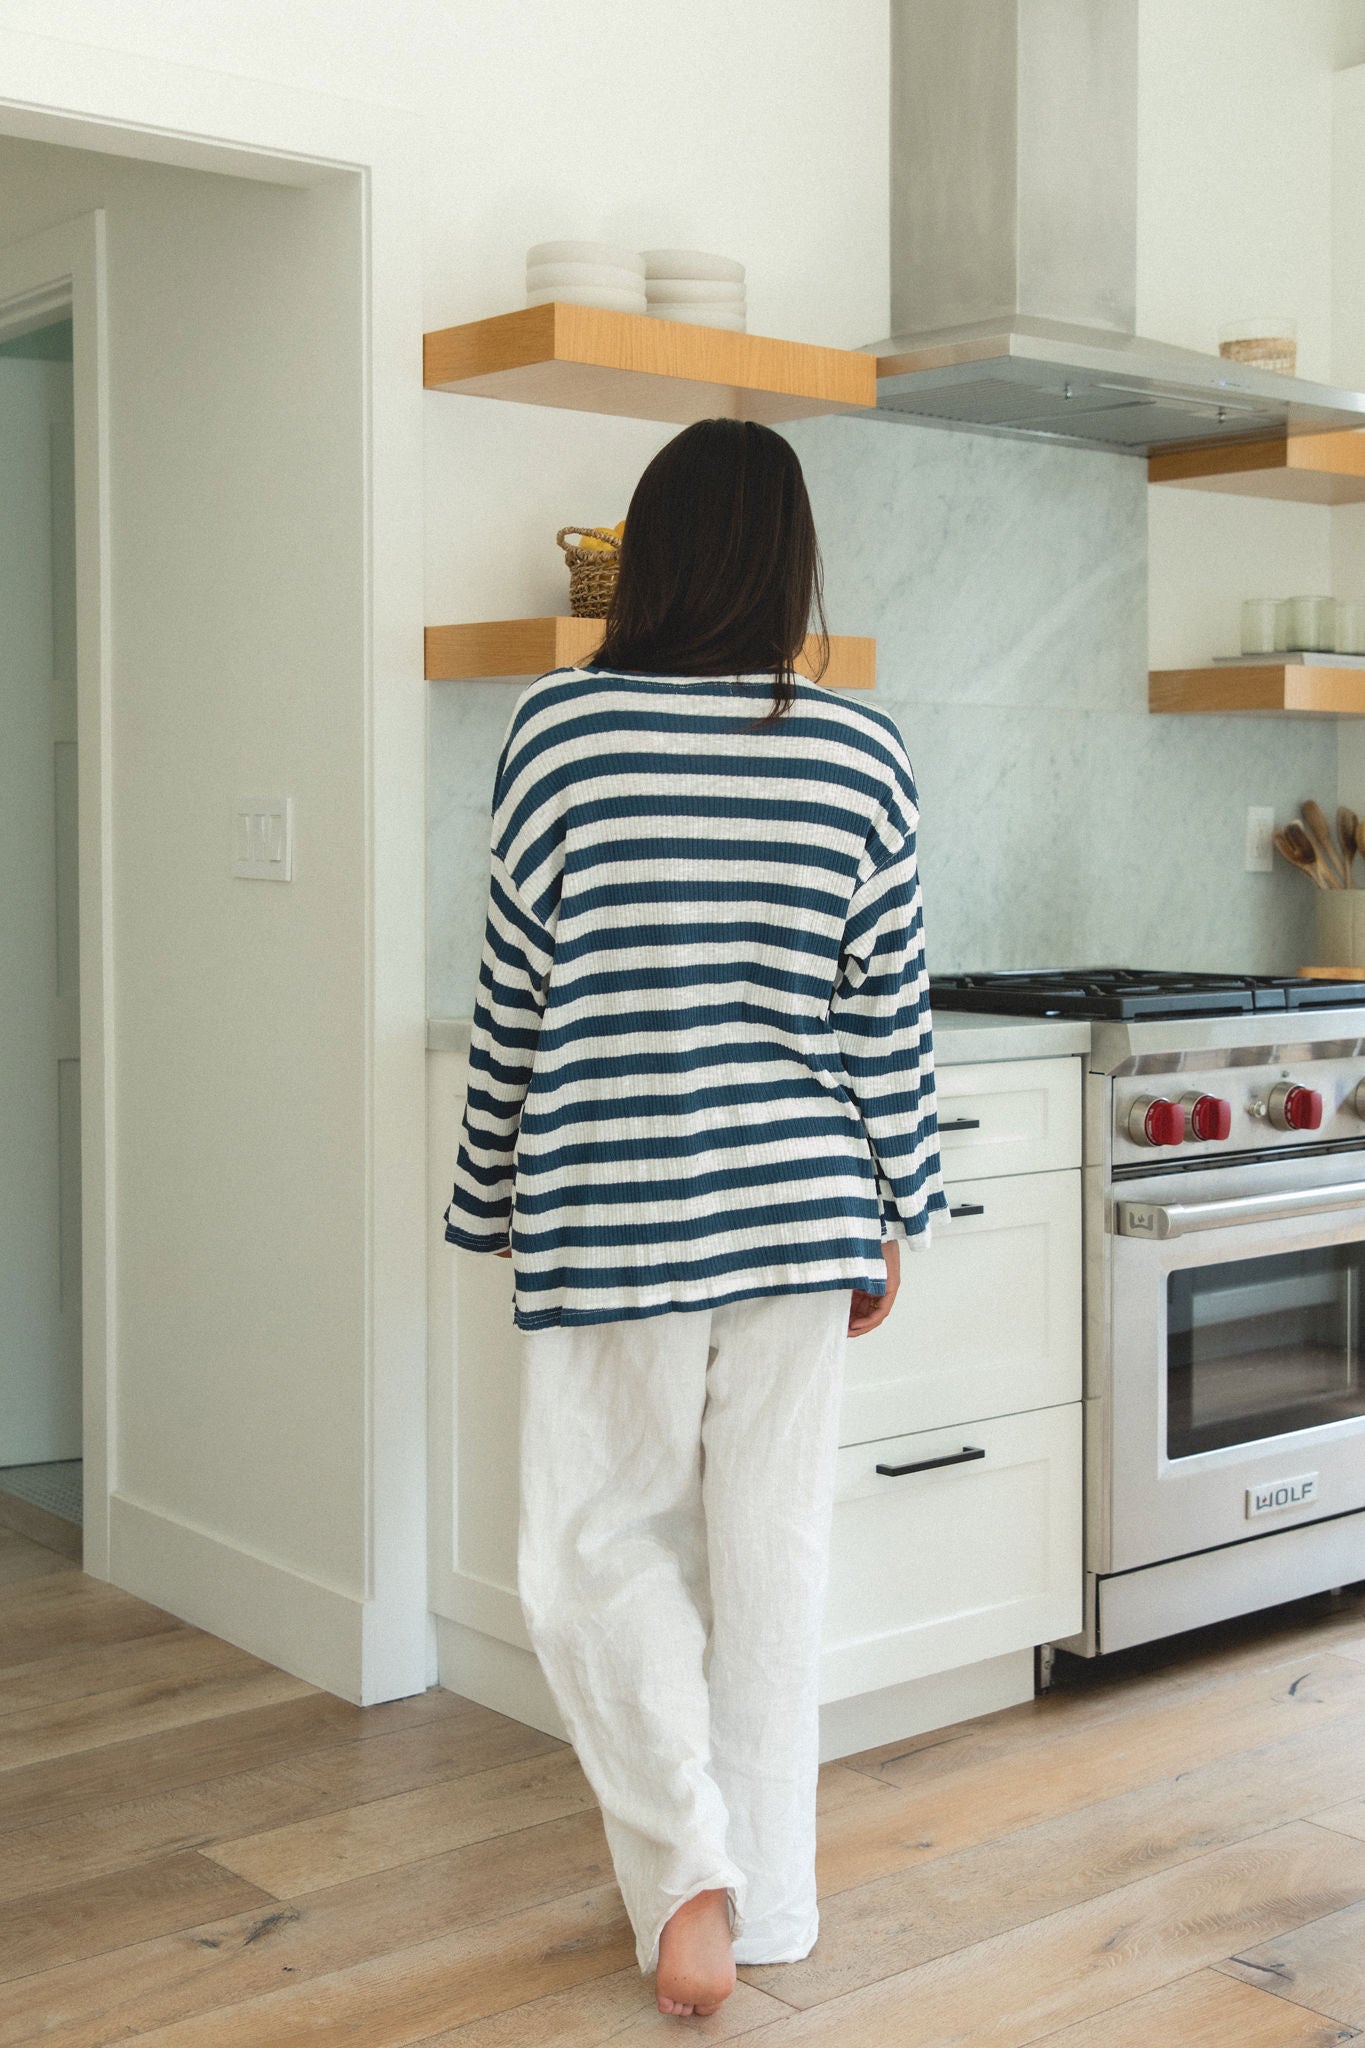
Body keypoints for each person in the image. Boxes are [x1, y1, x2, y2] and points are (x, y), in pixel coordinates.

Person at [443, 416, 946, 2017]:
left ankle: (690, 1879)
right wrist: (897, 1205)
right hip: (804, 1202)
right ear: (791, 566)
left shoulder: (561, 730)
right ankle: (767, 1899)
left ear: (648, 555)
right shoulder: (861, 750)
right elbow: (886, 1017)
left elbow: (515, 987)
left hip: (611, 1197)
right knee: (771, 1551)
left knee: (594, 1547)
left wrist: (486, 1191)